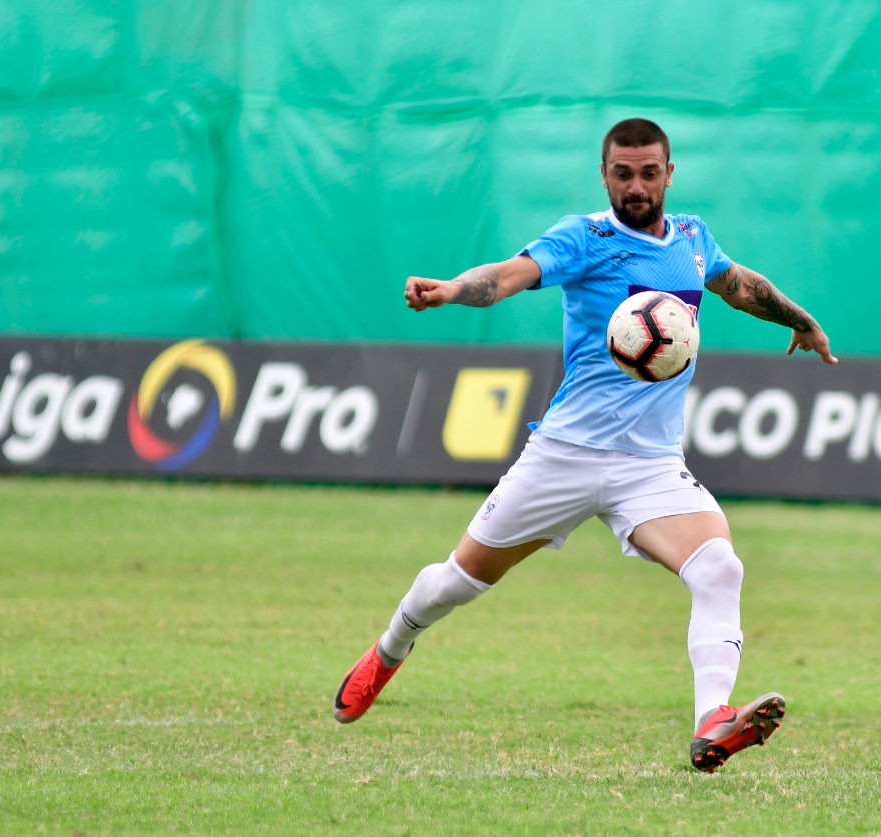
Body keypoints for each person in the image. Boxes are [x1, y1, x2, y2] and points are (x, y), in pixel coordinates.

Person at [333, 117, 837, 772]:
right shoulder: (585, 237)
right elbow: (510, 275)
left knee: (720, 567)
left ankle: (713, 720)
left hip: (650, 466)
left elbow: (739, 285)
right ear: (605, 174)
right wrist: (453, 290)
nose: (636, 185)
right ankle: (389, 649)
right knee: (456, 583)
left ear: (669, 173)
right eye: (622, 173)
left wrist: (800, 319)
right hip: (564, 455)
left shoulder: (691, 239)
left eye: (648, 172)